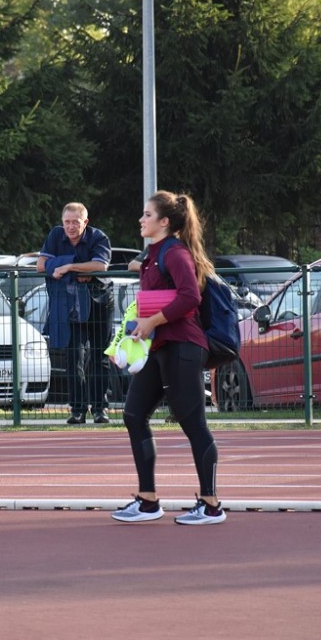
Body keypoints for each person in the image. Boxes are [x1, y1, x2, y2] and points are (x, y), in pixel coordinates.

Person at [110, 190, 226, 525]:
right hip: (158, 347)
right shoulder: (154, 254)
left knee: (193, 423)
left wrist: (151, 322)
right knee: (133, 414)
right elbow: (156, 296)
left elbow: (189, 298)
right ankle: (148, 501)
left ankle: (211, 505)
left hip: (183, 347)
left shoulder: (175, 253)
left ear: (164, 221)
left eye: (147, 215)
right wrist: (133, 333)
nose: (141, 220)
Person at [37, 202, 114, 424]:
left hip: (99, 303)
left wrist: (68, 268)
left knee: (99, 356)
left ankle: (100, 409)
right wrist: (79, 267)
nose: (70, 227)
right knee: (74, 357)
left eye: (76, 222)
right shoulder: (55, 235)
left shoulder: (98, 237)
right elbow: (41, 265)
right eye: (67, 222)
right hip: (69, 306)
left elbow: (100, 266)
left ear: (85, 222)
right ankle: (77, 410)